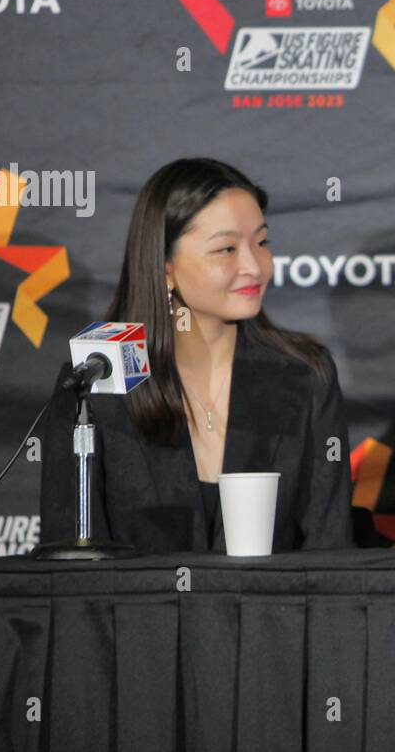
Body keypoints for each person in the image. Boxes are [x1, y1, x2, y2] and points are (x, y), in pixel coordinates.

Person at [39, 158, 353, 553]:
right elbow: (69, 570)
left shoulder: (306, 376)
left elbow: (331, 554)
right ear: (165, 267)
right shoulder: (94, 383)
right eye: (226, 249)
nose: (253, 266)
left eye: (262, 242)